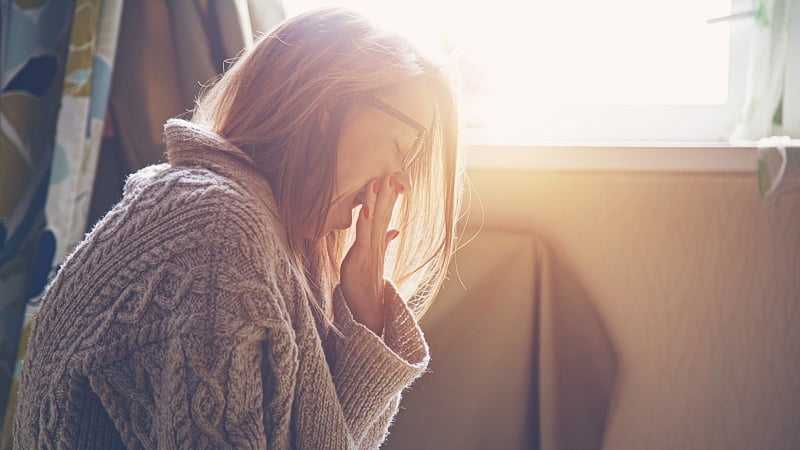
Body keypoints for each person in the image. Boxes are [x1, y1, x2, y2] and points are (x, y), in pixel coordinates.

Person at [13, 6, 464, 449]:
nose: (401, 180)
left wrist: (364, 321)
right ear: (328, 106)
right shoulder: (217, 231)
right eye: (401, 147)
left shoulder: (267, 234)